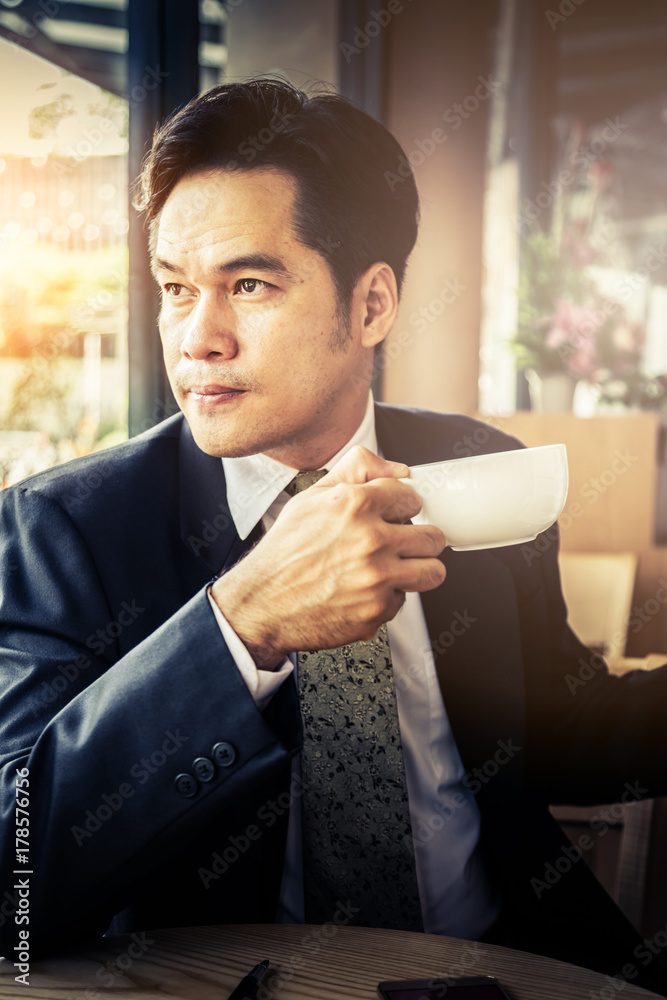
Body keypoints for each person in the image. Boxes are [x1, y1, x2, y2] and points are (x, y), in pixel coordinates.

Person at [1, 78, 667, 993]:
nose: (197, 338)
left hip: (506, 968)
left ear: (372, 306)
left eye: (247, 284)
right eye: (173, 289)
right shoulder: (66, 528)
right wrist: (239, 625)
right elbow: (15, 883)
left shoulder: (477, 468)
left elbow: (557, 729)